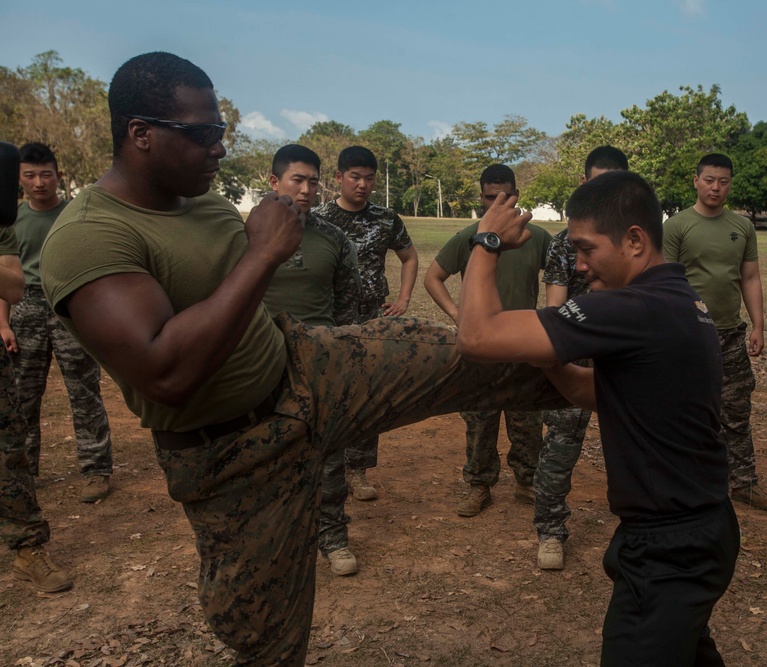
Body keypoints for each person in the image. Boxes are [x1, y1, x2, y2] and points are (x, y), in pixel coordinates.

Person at [39, 52, 565, 665]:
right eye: (204, 133)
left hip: (304, 365)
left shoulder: (201, 202)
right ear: (141, 134)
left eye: (221, 133)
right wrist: (261, 255)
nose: (218, 148)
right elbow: (166, 373)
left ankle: (627, 363)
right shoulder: (87, 236)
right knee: (268, 639)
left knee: (479, 355)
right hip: (232, 448)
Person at [456, 170, 738, 666]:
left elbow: (477, 337)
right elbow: (598, 392)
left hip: (670, 546)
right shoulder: (679, 300)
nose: (579, 265)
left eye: (586, 249)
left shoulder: (633, 307)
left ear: (634, 241)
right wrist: (553, 354)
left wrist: (486, 241)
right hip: (696, 527)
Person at [423, 164, 552, 517]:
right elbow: (433, 277)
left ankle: (528, 482)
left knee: (527, 418)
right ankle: (479, 485)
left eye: (504, 197)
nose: (496, 203)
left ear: (516, 197)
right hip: (481, 347)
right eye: (489, 197)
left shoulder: (537, 237)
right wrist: (456, 315)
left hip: (523, 343)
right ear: (480, 198)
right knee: (480, 420)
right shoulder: (470, 236)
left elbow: (561, 275)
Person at [262, 144, 366, 576]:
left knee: (327, 454)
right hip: (260, 361)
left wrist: (340, 356)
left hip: (319, 360)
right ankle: (274, 540)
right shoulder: (244, 234)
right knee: (265, 454)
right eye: (296, 180)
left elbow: (347, 306)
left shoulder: (333, 238)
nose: (306, 190)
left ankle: (333, 537)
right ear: (273, 182)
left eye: (312, 181)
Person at [663, 153, 767, 512]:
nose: (716, 187)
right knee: (683, 411)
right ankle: (680, 484)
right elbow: (665, 281)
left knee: (735, 409)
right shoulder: (676, 226)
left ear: (730, 183)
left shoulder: (742, 227)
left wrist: (758, 324)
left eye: (723, 181)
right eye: (709, 180)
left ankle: (743, 482)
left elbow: (750, 277)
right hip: (688, 335)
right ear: (695, 181)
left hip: (730, 334)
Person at [0, 143, 114, 503]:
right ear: (20, 179)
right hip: (28, 305)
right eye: (30, 175)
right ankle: (25, 472)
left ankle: (96, 470)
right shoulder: (11, 219)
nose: (39, 182)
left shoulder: (76, 215)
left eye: (45, 174)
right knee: (23, 397)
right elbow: (7, 279)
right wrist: (3, 324)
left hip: (70, 303)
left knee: (83, 390)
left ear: (58, 176)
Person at [535, 145, 627, 570]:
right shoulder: (563, 244)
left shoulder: (636, 238)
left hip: (628, 354)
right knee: (560, 446)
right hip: (582, 354)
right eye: (597, 181)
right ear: (584, 183)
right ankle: (550, 530)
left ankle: (639, 528)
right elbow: (555, 311)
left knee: (632, 445)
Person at [313, 146, 417, 501]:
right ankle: (327, 468)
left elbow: (409, 256)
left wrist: (403, 299)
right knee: (328, 391)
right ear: (339, 178)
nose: (362, 185)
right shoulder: (318, 218)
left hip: (372, 316)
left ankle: (356, 471)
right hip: (329, 318)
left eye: (369, 178)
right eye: (355, 177)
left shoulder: (386, 218)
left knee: (367, 392)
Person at [0, 141, 72, 592]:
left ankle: (27, 549)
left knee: (10, 446)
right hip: (22, 324)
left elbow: (13, 283)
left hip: (48, 313)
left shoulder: (3, 223)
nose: (37, 182)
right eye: (29, 174)